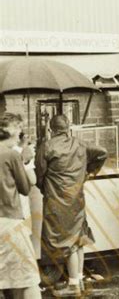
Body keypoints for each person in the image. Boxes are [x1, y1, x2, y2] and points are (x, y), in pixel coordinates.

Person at [35, 115, 108, 297]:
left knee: (66, 241)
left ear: (51, 130)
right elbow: (103, 152)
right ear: (68, 128)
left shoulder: (47, 147)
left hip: (57, 199)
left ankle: (74, 285)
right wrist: (89, 172)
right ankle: (79, 280)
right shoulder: (80, 144)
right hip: (76, 197)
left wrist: (46, 187)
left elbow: (39, 175)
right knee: (78, 237)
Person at [0, 113, 41, 299]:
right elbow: (25, 188)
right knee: (27, 276)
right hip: (9, 218)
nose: (20, 132)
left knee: (5, 277)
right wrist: (24, 161)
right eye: (18, 128)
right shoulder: (11, 154)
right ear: (8, 130)